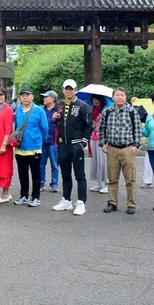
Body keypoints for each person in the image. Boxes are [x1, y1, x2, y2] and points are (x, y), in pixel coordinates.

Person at [52, 79, 92, 216]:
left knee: (80, 175)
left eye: (71, 89)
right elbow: (59, 121)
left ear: (76, 90)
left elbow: (89, 125)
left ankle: (81, 202)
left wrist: (83, 142)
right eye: (66, 89)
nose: (68, 91)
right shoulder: (60, 105)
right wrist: (55, 117)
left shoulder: (82, 106)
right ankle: (66, 200)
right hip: (62, 144)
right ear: (63, 90)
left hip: (76, 144)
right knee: (65, 174)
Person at [99, 88, 142, 214]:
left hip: (128, 149)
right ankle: (112, 203)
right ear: (113, 97)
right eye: (117, 95)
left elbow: (137, 129)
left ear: (125, 97)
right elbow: (102, 129)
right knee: (112, 179)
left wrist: (135, 146)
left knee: (130, 179)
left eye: (122, 95)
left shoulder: (132, 112)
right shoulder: (107, 112)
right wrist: (103, 143)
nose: (120, 97)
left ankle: (131, 204)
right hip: (112, 149)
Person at [12, 88, 48, 207]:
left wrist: (38, 141)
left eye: (27, 95)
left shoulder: (39, 110)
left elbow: (45, 128)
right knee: (22, 174)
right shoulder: (18, 110)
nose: (25, 97)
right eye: (23, 95)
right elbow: (16, 127)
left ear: (32, 97)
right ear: (20, 98)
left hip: (34, 149)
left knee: (35, 175)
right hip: (20, 148)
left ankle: (36, 197)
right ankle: (24, 196)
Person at [39, 90, 59, 193]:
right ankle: (41, 183)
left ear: (52, 98)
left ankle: (54, 184)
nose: (44, 99)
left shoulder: (58, 111)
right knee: (41, 165)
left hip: (53, 141)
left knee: (54, 164)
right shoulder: (42, 110)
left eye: (46, 97)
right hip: (42, 141)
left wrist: (58, 118)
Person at [88, 96, 108, 194]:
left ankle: (106, 183)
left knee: (103, 161)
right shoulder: (93, 111)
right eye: (93, 100)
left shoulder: (105, 111)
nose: (95, 102)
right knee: (95, 161)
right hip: (93, 137)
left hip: (102, 139)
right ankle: (99, 182)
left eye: (97, 100)